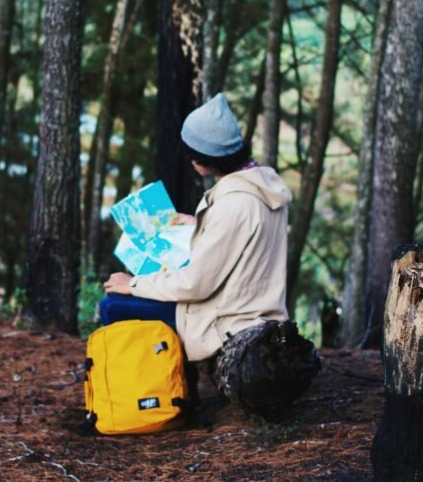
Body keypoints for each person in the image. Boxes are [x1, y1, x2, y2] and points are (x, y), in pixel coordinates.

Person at [100, 93, 292, 369]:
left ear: (204, 160)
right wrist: (198, 224)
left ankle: (163, 392)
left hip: (227, 316)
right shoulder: (262, 186)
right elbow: (245, 240)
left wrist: (132, 284)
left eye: (192, 155)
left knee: (112, 304)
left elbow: (195, 285)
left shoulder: (233, 205)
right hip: (252, 306)